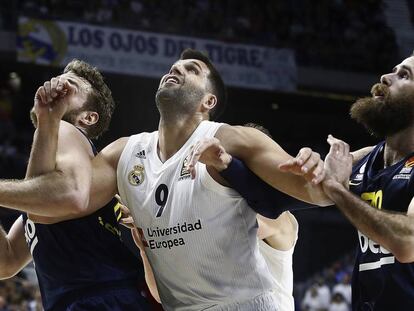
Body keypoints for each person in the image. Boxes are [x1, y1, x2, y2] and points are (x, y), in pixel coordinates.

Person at [0, 49, 331, 310]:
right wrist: (146, 242)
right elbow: (45, 213)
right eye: (174, 66)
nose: (176, 69)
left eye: (192, 69)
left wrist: (311, 165)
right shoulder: (125, 154)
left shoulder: (229, 139)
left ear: (208, 101)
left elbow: (311, 192)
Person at [0, 60, 150, 310]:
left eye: (71, 85)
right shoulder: (40, 205)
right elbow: (6, 262)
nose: (59, 84)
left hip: (102, 296)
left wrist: (50, 119)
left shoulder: (68, 130)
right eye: (59, 79)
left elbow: (71, 195)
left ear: (88, 117)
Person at [304, 54, 414, 311]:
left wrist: (335, 189)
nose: (385, 78)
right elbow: (309, 180)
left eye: (404, 75)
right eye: (393, 70)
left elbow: (407, 243)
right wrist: (308, 161)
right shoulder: (366, 158)